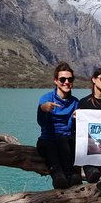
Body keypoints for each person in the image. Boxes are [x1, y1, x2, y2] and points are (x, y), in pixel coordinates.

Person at [36, 61, 82, 189]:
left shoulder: (75, 102)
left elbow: (71, 130)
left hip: (66, 140)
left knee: (67, 141)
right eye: (62, 79)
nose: (66, 82)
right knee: (51, 144)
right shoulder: (46, 98)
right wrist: (43, 110)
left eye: (70, 79)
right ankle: (58, 176)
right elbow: (42, 123)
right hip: (48, 139)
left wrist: (74, 120)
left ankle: (69, 175)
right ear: (56, 81)